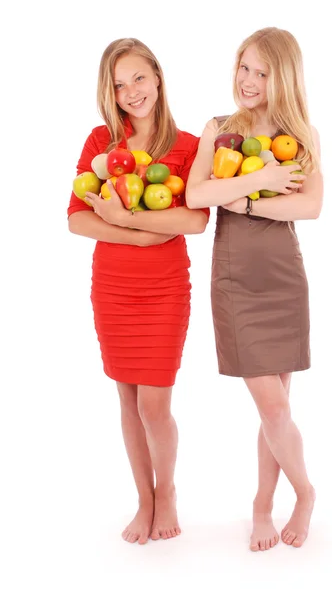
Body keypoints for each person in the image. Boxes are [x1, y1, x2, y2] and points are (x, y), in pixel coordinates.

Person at [186, 27, 323, 551]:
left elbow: (309, 207)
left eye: (261, 72)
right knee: (273, 407)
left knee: (277, 408)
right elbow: (200, 192)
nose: (248, 80)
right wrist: (259, 179)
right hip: (236, 280)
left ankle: (264, 504)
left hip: (283, 277)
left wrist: (238, 200)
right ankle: (306, 492)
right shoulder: (218, 128)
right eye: (244, 67)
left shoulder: (302, 134)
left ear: (282, 77)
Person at [67, 38, 209, 545]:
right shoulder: (101, 144)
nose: (131, 92)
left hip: (164, 288)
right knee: (127, 400)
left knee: (155, 406)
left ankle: (166, 491)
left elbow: (193, 218)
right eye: (119, 84)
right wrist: (142, 231)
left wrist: (122, 215)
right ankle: (143, 499)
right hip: (113, 286)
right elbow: (77, 221)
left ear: (158, 77)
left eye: (138, 78)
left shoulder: (189, 145)